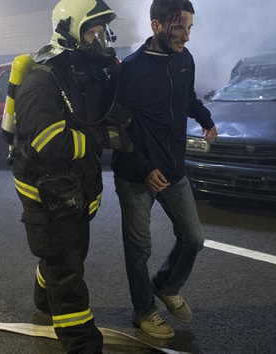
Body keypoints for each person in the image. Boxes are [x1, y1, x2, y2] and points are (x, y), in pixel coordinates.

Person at [10, 0, 131, 352]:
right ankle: (82, 343)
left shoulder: (82, 71)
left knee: (70, 254)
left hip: (74, 184)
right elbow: (49, 142)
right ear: (70, 31)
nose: (99, 39)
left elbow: (92, 115)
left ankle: (44, 296)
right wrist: (104, 138)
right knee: (67, 269)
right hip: (46, 189)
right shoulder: (42, 79)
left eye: (100, 32)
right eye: (91, 32)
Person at [111, 0, 217, 339]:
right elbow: (117, 130)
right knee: (139, 249)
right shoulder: (130, 69)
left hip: (174, 169)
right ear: (156, 25)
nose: (186, 36)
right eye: (179, 27)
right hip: (136, 176)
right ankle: (143, 311)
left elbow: (185, 99)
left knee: (194, 238)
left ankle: (166, 285)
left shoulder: (184, 61)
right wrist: (142, 169)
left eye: (189, 28)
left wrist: (205, 119)